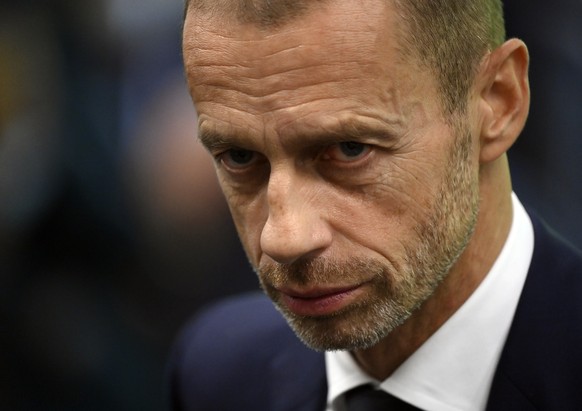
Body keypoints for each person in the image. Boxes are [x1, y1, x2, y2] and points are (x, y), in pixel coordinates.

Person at [168, 0, 582, 410]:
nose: (284, 237)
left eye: (350, 150)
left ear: (498, 102)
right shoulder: (217, 372)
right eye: (239, 157)